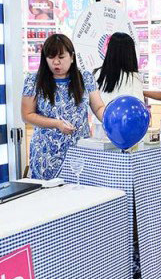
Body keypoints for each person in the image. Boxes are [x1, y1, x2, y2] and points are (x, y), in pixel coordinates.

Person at [21, 34, 105, 179]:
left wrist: (112, 121)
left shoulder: (85, 78)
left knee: (81, 189)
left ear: (72, 57)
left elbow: (98, 107)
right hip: (46, 154)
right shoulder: (33, 80)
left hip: (80, 151)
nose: (56, 62)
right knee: (48, 192)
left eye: (61, 57)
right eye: (51, 57)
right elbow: (27, 115)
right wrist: (57, 124)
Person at [95, 32, 144, 105]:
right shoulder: (134, 78)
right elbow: (138, 105)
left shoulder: (97, 74)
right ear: (131, 53)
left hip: (100, 112)